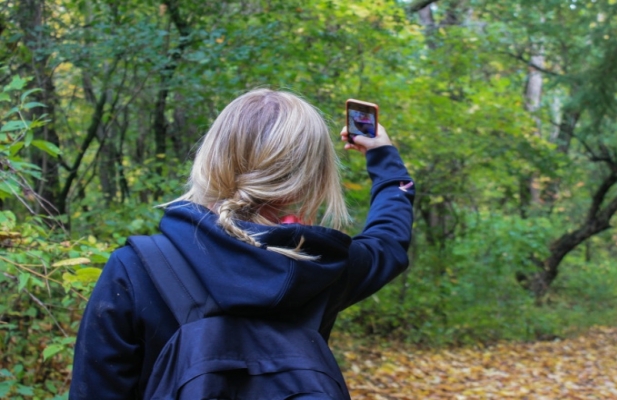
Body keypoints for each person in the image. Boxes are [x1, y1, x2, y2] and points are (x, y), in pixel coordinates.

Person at [69, 89, 414, 399]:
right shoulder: (324, 267)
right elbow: (389, 240)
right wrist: (383, 155)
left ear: (213, 157)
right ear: (309, 179)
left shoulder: (136, 269)